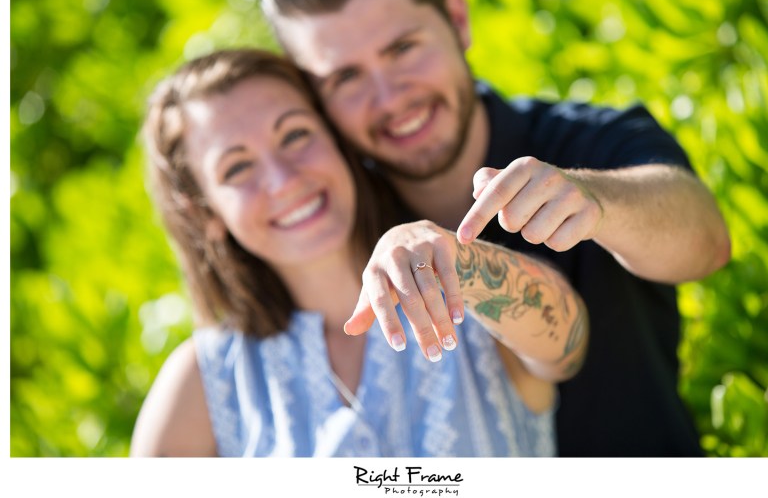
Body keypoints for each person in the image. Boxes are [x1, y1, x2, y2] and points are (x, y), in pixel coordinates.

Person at [252, 0, 732, 456]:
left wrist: (594, 203)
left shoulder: (588, 143)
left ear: (457, 19)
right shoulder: (331, 217)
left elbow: (708, 243)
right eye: (345, 78)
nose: (390, 98)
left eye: (403, 47)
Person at [129, 48, 588, 457]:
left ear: (338, 141)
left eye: (294, 135)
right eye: (238, 167)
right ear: (203, 210)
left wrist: (456, 260)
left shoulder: (465, 290)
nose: (284, 179)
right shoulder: (206, 382)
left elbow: (568, 343)